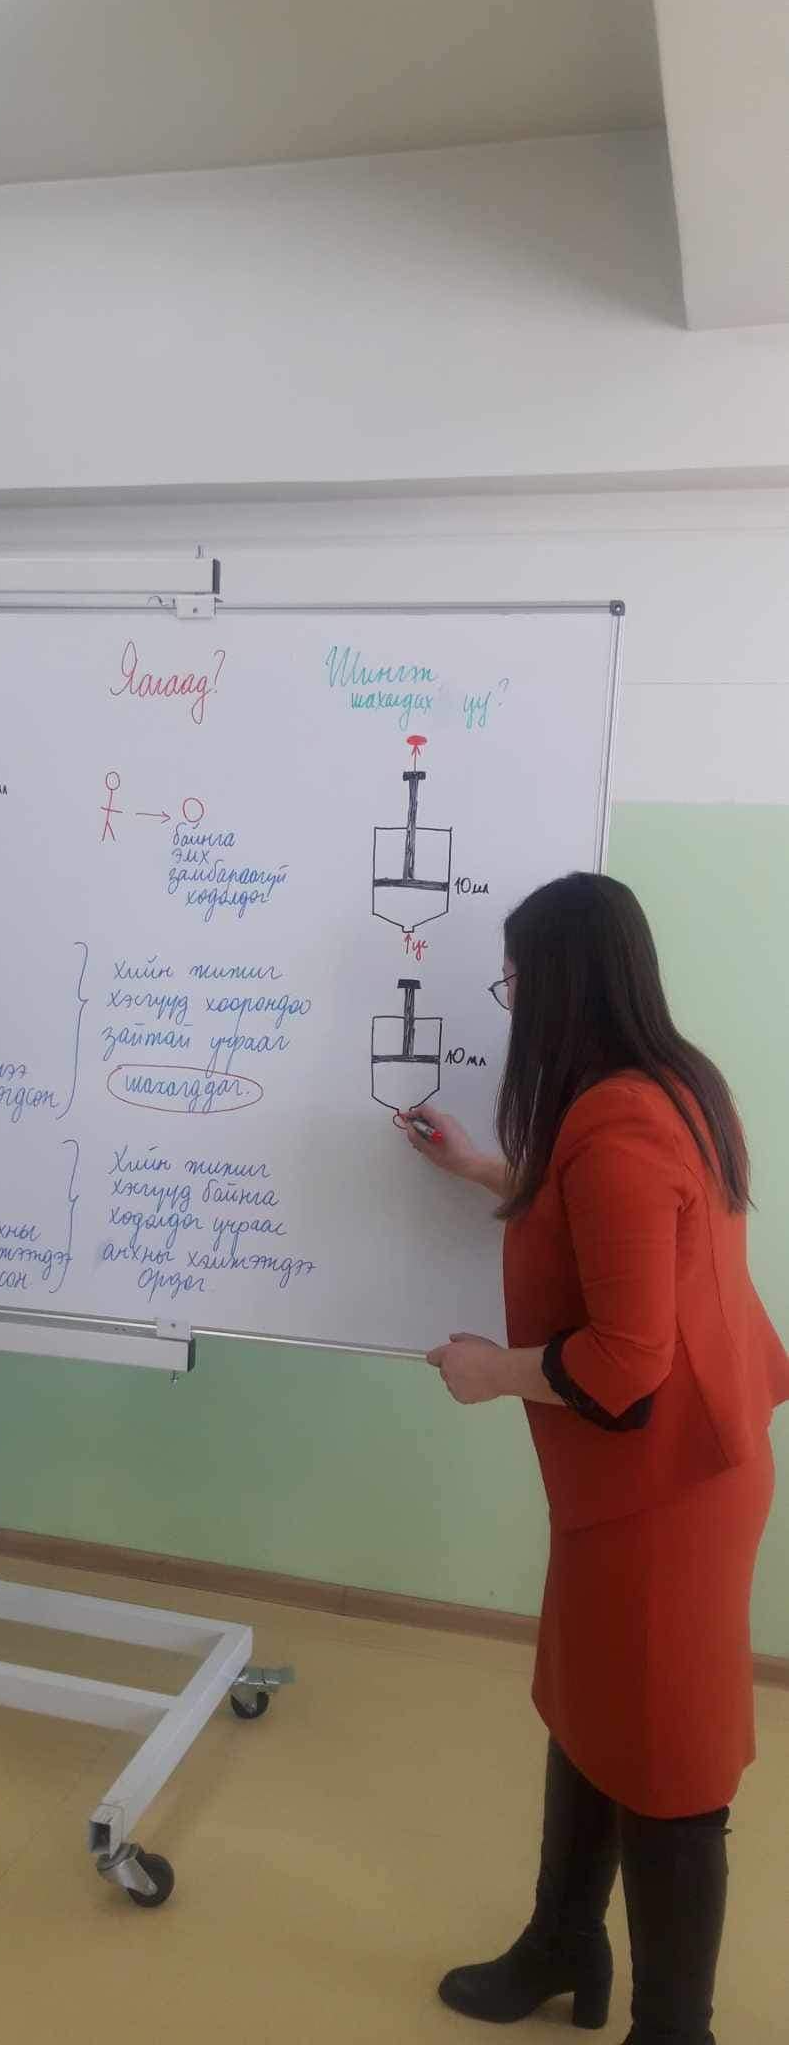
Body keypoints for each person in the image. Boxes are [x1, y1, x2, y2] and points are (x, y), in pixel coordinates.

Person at [401, 873, 789, 2045]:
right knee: (589, 1705)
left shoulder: (622, 1122)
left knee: (669, 1760)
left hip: (670, 1489)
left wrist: (490, 1370)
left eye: (515, 980)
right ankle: (565, 1941)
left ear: (563, 982)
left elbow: (625, 1357)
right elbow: (593, 1217)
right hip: (640, 1478)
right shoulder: (663, 1086)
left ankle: (677, 2027)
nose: (511, 1001)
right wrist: (483, 1170)